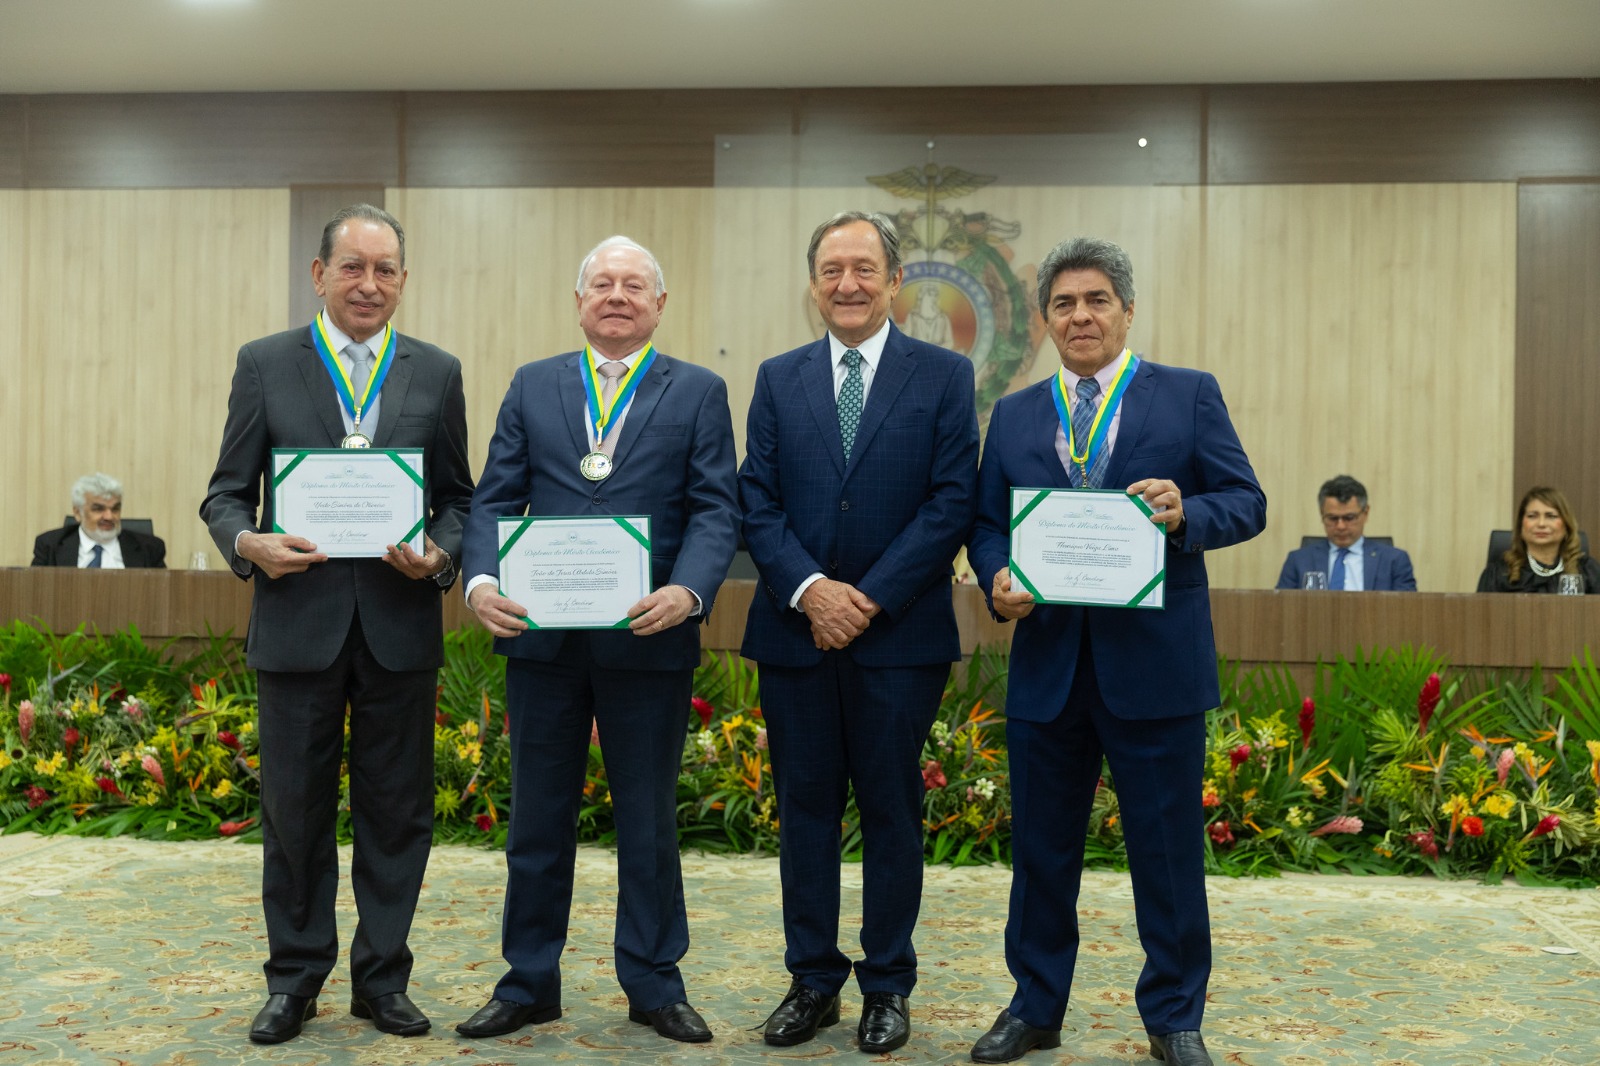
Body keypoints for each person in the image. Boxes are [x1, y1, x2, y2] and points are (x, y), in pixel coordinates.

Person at [966, 237, 1265, 1066]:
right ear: (1045, 320)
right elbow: (986, 525)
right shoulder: (1017, 414)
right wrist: (996, 577)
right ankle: (1034, 1007)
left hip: (1156, 670)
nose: (1081, 316)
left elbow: (1247, 501)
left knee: (1167, 856)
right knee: (1041, 855)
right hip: (1049, 669)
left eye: (1097, 300)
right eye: (1063, 304)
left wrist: (1187, 512)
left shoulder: (1188, 395)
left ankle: (1174, 1018)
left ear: (1127, 311)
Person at [200, 204, 473, 1044]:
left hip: (398, 628)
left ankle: (382, 980)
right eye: (352, 266)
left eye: (385, 269)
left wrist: (441, 554)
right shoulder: (265, 363)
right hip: (297, 627)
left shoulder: (437, 371)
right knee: (294, 815)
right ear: (319, 275)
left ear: (403, 281)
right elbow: (224, 495)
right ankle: (293, 980)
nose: (369, 283)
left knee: (398, 816)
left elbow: (459, 500)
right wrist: (249, 543)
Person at [456, 236, 738, 1045]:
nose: (617, 296)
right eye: (603, 284)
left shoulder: (699, 390)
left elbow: (716, 508)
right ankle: (528, 981)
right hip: (540, 643)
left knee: (647, 823)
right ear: (579, 302)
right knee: (536, 822)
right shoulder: (533, 383)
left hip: (648, 638)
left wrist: (688, 591)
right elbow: (494, 498)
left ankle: (653, 982)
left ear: (660, 304)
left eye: (634, 285)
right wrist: (481, 583)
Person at [739, 211, 979, 1054]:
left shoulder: (944, 376)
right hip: (794, 633)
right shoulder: (778, 378)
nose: (848, 284)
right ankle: (812, 980)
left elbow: (952, 501)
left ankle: (887, 984)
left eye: (864, 268)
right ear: (813, 284)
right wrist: (812, 591)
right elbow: (756, 500)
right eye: (832, 270)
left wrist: (866, 599)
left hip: (899, 638)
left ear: (895, 280)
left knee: (890, 812)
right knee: (804, 812)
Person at [1274, 475, 1416, 591]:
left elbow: (1407, 610)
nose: (1340, 526)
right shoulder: (1298, 560)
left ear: (1365, 513)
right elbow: (1282, 608)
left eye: (1349, 518)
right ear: (1322, 514)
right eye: (1332, 518)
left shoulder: (1394, 561)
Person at [1477, 486, 1600, 594]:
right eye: (1532, 516)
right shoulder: (1498, 573)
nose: (1541, 524)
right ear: (1521, 526)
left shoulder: (1588, 571)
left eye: (1551, 516)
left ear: (1566, 526)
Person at [31, 472, 166, 568]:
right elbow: (35, 592)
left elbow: (162, 595)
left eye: (115, 509)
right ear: (78, 513)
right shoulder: (50, 546)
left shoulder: (149, 548)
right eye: (98, 509)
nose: (109, 516)